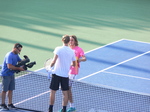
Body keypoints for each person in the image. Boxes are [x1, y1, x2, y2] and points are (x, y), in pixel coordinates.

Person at [48, 35, 76, 112]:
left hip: (56, 74)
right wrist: (67, 64)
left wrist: (49, 68)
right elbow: (73, 64)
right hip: (65, 76)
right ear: (69, 42)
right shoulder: (72, 51)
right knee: (65, 93)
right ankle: (64, 110)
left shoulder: (58, 49)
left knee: (53, 92)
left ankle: (50, 109)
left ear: (62, 40)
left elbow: (53, 61)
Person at [0, 43, 25, 110]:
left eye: (20, 50)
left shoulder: (16, 55)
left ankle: (10, 104)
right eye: (19, 50)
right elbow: (9, 66)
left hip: (11, 74)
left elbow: (20, 61)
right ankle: (2, 104)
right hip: (6, 75)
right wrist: (19, 68)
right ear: (15, 48)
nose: (20, 52)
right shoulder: (9, 55)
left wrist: (26, 61)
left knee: (10, 90)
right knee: (4, 90)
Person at [67, 35, 86, 112]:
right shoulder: (67, 49)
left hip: (73, 71)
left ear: (75, 41)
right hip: (65, 70)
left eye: (72, 40)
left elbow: (84, 58)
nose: (70, 42)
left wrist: (77, 60)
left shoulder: (79, 49)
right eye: (69, 40)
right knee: (65, 89)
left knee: (68, 88)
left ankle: (72, 106)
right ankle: (66, 106)